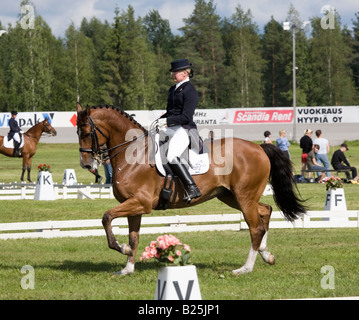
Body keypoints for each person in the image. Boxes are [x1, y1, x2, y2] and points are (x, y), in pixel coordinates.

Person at [157, 58, 202, 203]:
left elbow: (186, 116)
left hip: (185, 129)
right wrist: (161, 119)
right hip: (171, 128)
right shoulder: (172, 89)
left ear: (185, 73)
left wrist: (167, 121)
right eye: (172, 72)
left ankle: (192, 187)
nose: (173, 75)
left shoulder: (190, 91)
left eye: (175, 72)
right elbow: (171, 111)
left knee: (171, 156)